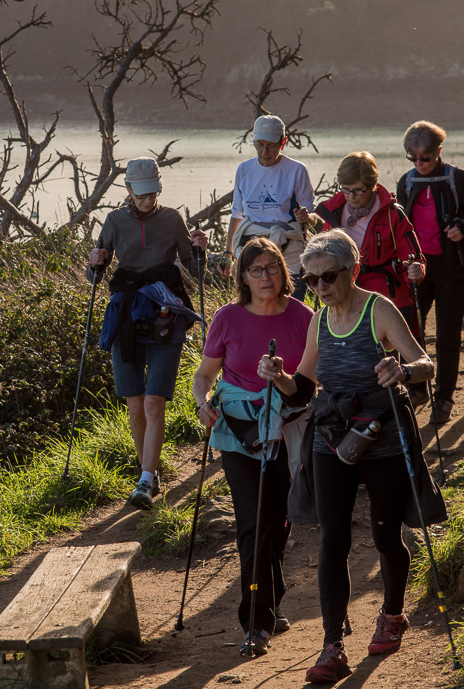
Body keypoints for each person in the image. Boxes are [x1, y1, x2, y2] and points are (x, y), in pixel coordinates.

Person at [258, 230, 443, 685]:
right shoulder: (319, 321)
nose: (319, 287)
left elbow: (425, 362)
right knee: (332, 541)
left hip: (381, 435)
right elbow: (303, 387)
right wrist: (278, 376)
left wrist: (402, 369)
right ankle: (331, 646)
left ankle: (392, 613)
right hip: (331, 436)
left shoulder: (378, 309)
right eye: (310, 279)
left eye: (328, 277)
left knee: (385, 536)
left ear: (353, 271)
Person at [191, 237, 314, 658]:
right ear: (243, 276)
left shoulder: (304, 317)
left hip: (291, 428)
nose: (266, 277)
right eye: (256, 270)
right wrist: (203, 404)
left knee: (278, 523)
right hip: (240, 430)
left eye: (272, 268)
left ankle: (273, 596)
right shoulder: (226, 318)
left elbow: (316, 377)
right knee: (251, 524)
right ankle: (256, 624)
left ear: (284, 270)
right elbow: (204, 374)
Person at [90, 157, 208, 510]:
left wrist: (200, 252)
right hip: (126, 314)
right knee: (135, 401)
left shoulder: (172, 219)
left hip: (166, 314)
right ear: (127, 189)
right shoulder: (113, 221)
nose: (147, 199)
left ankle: (144, 480)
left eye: (153, 192)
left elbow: (192, 266)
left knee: (155, 401)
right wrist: (94, 265)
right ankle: (149, 473)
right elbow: (96, 273)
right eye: (141, 194)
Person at [396, 121, 464, 426]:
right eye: (413, 158)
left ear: (439, 151)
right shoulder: (406, 182)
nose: (418, 164)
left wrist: (463, 228)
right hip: (416, 270)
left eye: (424, 158)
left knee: (448, 336)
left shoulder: (456, 178)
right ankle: (418, 389)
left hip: (451, 268)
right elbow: (399, 228)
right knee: (411, 333)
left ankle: (444, 398)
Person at [314, 152, 426, 337]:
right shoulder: (333, 213)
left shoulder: (392, 214)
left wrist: (417, 269)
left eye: (358, 190)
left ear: (372, 185)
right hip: (347, 298)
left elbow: (414, 257)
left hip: (389, 297)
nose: (351, 196)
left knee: (397, 361)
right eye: (345, 189)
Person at [225, 114, 316, 301]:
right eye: (260, 145)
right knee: (253, 307)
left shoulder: (296, 170)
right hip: (250, 245)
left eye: (271, 145)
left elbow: (312, 215)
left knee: (292, 306)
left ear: (283, 143)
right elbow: (237, 214)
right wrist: (228, 255)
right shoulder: (244, 170)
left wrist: (305, 217)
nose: (265, 152)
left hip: (288, 247)